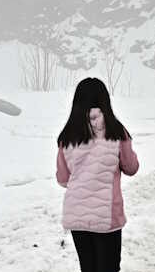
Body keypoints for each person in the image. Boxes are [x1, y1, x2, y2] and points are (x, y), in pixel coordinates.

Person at [56, 77, 140, 272]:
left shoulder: (67, 136)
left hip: (77, 214)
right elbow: (131, 168)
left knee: (88, 268)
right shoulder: (117, 132)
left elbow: (62, 178)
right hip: (106, 217)